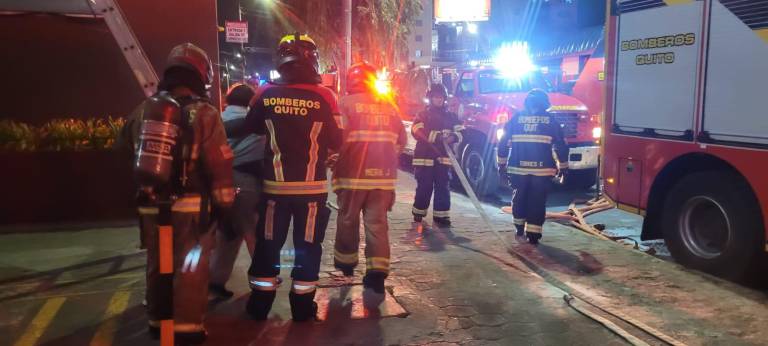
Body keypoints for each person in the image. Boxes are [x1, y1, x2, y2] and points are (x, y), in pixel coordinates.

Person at [118, 43, 234, 343]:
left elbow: (124, 151)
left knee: (158, 264)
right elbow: (218, 164)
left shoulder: (145, 109)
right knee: (190, 267)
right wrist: (225, 206)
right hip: (190, 208)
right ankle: (186, 329)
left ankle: (158, 321)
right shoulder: (205, 113)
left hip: (150, 203)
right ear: (201, 74)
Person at [242, 33, 342, 322]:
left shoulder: (265, 93)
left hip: (275, 190)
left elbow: (251, 128)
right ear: (313, 60)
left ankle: (260, 306)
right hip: (312, 192)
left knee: (268, 246)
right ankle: (302, 308)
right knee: (308, 247)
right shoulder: (325, 96)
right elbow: (338, 140)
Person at [332, 62, 407, 293]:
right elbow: (400, 142)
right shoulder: (388, 105)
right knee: (377, 225)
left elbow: (337, 139)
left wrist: (333, 159)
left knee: (348, 220)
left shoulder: (344, 104)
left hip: (352, 177)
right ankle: (376, 274)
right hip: (383, 179)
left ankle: (346, 264)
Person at [208, 83, 264, 298]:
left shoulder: (216, 119)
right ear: (251, 101)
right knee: (252, 233)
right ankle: (261, 281)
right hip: (246, 182)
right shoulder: (256, 122)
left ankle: (215, 281)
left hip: (218, 183)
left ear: (227, 100)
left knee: (227, 234)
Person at [497, 89, 568, 245]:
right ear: (545, 104)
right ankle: (534, 235)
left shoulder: (515, 119)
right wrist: (563, 167)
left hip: (518, 169)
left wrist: (501, 165)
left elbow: (502, 143)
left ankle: (519, 228)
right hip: (542, 170)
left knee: (519, 197)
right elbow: (561, 146)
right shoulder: (551, 120)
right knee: (537, 200)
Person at [411, 83, 465, 227]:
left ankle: (441, 217)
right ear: (431, 98)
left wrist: (453, 137)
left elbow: (462, 132)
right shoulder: (422, 115)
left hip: (443, 159)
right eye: (436, 97)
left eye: (441, 97)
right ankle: (418, 213)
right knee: (425, 187)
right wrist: (438, 137)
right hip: (425, 159)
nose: (439, 100)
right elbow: (416, 131)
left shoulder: (451, 116)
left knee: (443, 187)